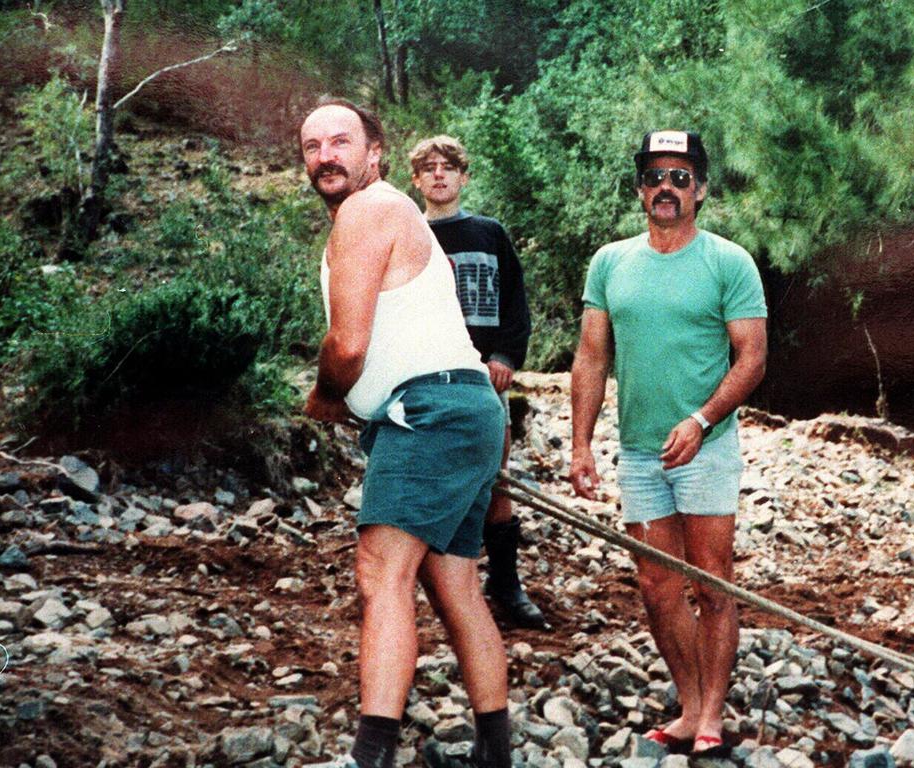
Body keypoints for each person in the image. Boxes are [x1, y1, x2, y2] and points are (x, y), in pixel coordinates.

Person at [300, 99, 512, 768]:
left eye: (341, 140)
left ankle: (371, 755)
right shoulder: (395, 213)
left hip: (431, 410)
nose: (326, 154)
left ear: (375, 153)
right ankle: (496, 751)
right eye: (312, 146)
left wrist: (326, 393)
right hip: (464, 405)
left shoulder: (368, 211)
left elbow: (348, 343)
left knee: (380, 571)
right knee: (454, 585)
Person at [569, 130, 767, 758]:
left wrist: (702, 419)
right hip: (640, 454)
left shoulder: (728, 262)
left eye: (681, 178)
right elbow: (591, 357)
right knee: (656, 585)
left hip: (705, 447)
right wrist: (580, 446)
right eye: (655, 176)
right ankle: (687, 705)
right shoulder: (610, 263)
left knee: (712, 582)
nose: (666, 188)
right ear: (639, 189)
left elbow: (753, 358)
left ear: (702, 189)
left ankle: (712, 711)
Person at [408, 135, 547, 630]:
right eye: (429, 168)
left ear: (464, 177)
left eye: (449, 167)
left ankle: (505, 584)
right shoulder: (409, 235)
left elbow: (515, 302)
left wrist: (507, 355)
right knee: (426, 481)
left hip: (487, 377)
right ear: (416, 179)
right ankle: (421, 586)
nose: (439, 175)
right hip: (429, 377)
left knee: (496, 478)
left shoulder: (490, 233)